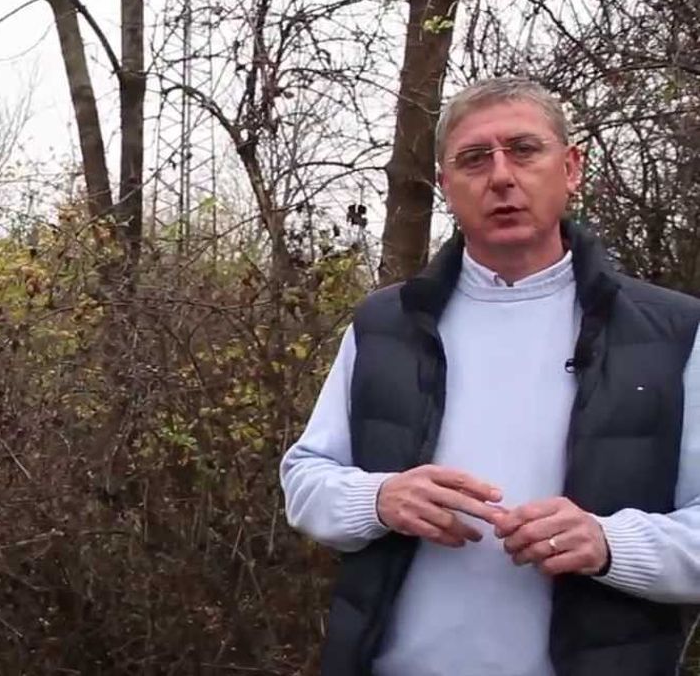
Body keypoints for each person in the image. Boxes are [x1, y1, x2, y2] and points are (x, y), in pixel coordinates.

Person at [279, 76, 700, 676]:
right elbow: (305, 479)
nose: (501, 176)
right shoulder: (388, 325)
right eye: (474, 159)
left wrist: (610, 543)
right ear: (446, 186)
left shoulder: (673, 332)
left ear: (571, 168)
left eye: (524, 150)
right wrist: (378, 498)